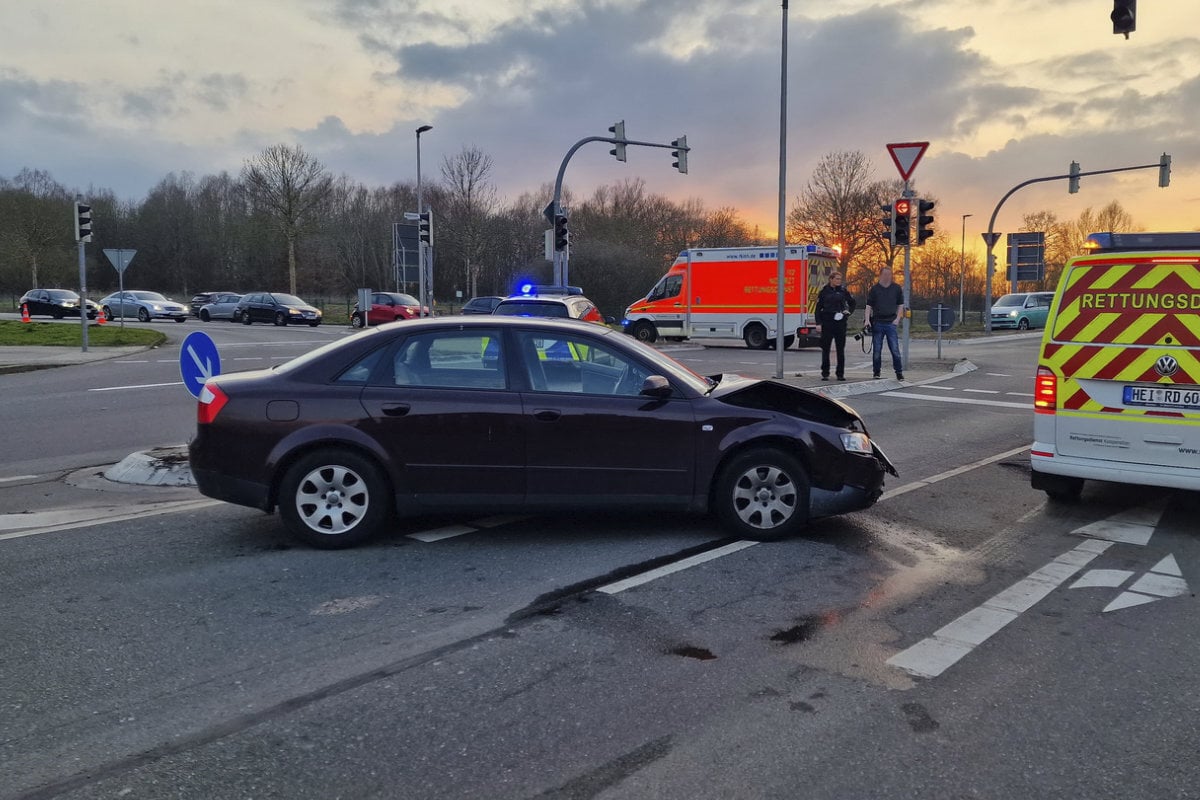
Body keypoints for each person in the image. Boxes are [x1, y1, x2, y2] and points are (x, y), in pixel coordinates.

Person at [865, 266, 906, 380]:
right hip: (878, 322)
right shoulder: (874, 289)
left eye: (889, 274)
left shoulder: (896, 288)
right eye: (885, 274)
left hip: (890, 323)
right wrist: (867, 320)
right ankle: (876, 372)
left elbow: (901, 305)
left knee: (895, 350)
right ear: (881, 275)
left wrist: (898, 318)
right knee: (877, 350)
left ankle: (899, 372)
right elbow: (868, 306)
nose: (887, 276)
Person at [815, 271, 856, 381]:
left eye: (840, 279)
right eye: (836, 279)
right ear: (831, 279)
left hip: (840, 323)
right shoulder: (824, 292)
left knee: (840, 349)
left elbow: (852, 303)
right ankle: (825, 373)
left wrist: (848, 312)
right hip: (827, 322)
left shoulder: (843, 291)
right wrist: (818, 323)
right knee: (825, 349)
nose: (838, 281)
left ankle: (840, 373)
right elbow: (818, 309)